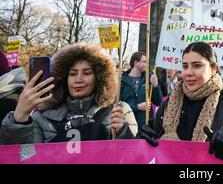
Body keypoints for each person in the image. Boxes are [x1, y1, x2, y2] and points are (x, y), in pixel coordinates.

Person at [0, 43, 137, 144]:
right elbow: (24, 156)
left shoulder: (118, 111)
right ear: (64, 78)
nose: (78, 79)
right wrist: (19, 118)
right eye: (72, 74)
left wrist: (123, 133)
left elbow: (134, 156)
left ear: (99, 77)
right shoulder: (42, 118)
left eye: (87, 73)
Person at [143, 42, 223, 160]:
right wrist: (142, 140)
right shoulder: (168, 104)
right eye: (185, 66)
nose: (189, 72)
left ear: (213, 69)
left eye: (196, 66)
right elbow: (152, 154)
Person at [120, 51, 163, 130]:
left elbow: (159, 102)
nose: (147, 64)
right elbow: (119, 106)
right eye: (144, 62)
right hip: (126, 127)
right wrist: (138, 107)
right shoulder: (122, 81)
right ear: (136, 62)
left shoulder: (149, 79)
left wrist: (156, 85)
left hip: (146, 127)